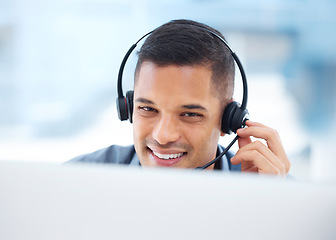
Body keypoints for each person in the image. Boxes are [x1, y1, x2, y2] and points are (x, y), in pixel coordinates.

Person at [69, 19, 291, 176]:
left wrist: (261, 210)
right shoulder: (77, 180)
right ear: (128, 108)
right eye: (147, 109)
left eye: (189, 114)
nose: (163, 136)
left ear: (227, 121)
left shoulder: (269, 189)